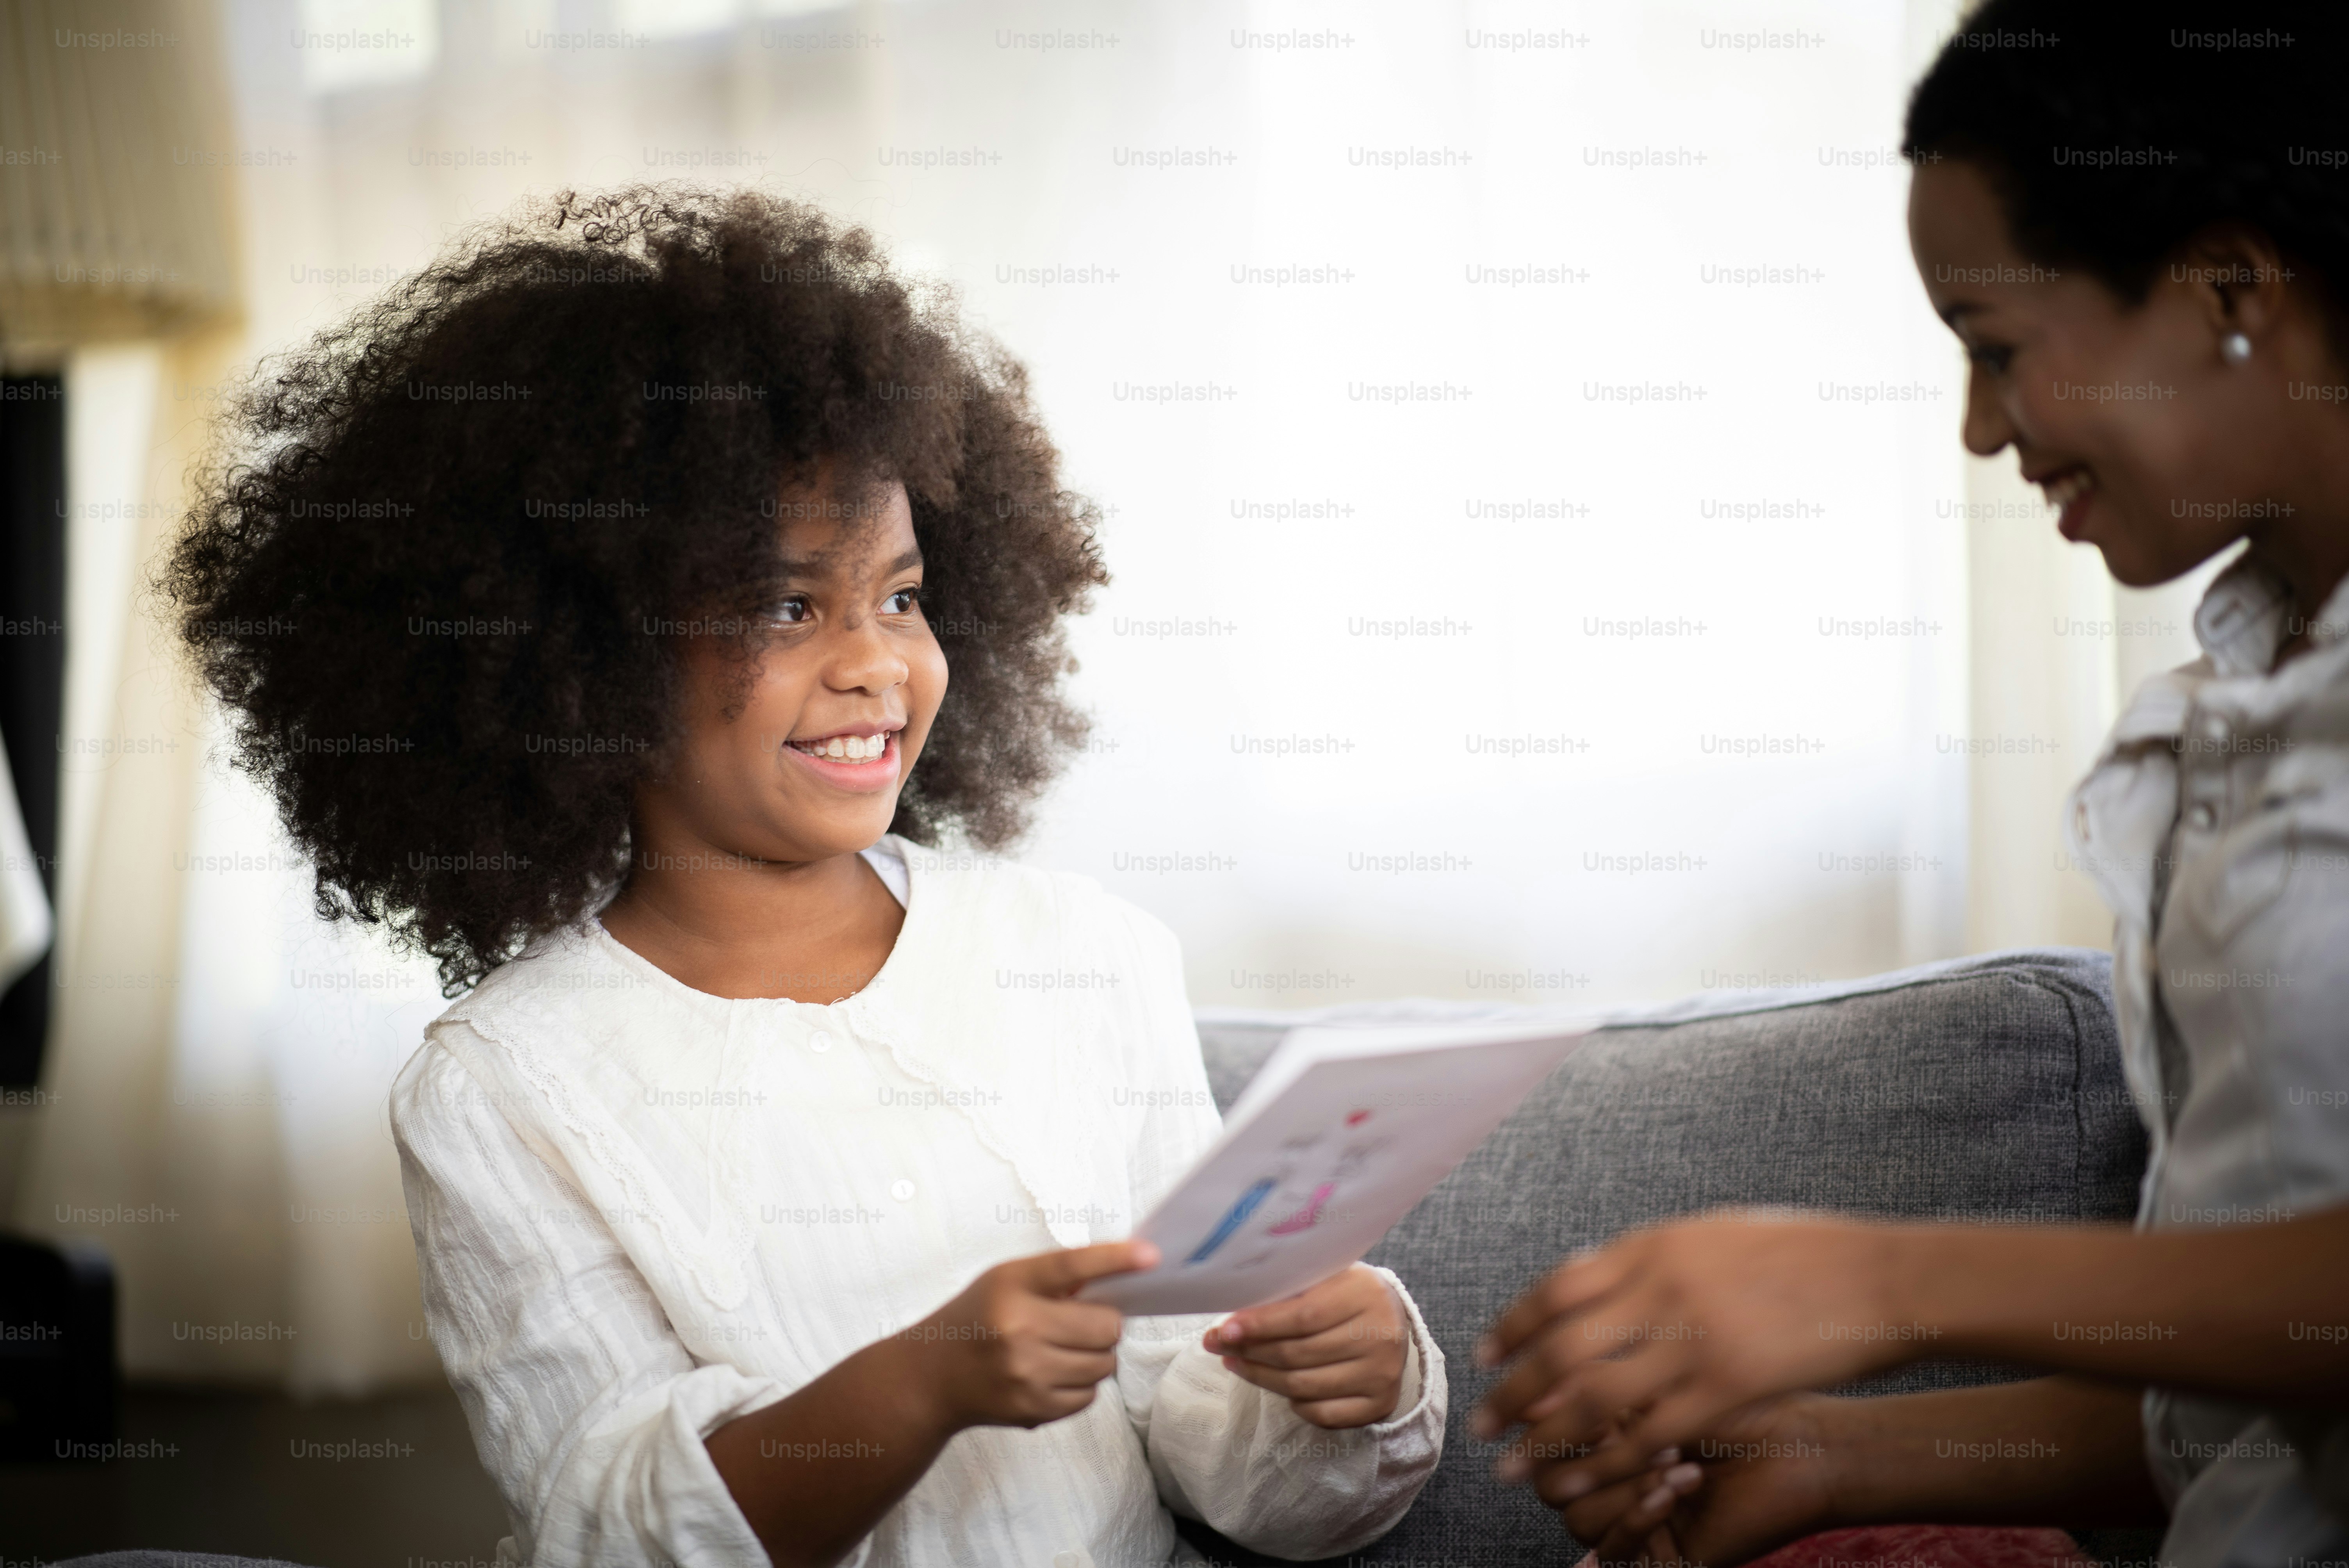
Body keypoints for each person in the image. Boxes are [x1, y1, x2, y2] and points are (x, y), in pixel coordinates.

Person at [161, 188, 1444, 1568]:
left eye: (899, 596)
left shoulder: (1083, 952)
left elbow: (1223, 1451)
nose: (875, 665)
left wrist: (1334, 1390)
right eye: (787, 606)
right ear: (577, 660)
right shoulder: (503, 1087)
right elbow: (613, 1531)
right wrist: (926, 1379)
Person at [1472, 3, 2349, 1565]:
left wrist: (1877, 1284)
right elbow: (2257, 1407)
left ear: (2227, 287)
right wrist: (1833, 1452)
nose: (1976, 429)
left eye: (1997, 348)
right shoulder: (2231, 715)